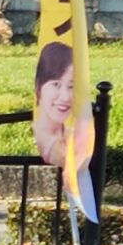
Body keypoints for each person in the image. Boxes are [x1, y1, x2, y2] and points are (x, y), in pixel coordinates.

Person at [33, 40, 77, 169]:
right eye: (56, 84)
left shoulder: (74, 136)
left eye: (71, 86)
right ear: (39, 86)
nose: (65, 97)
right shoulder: (35, 138)